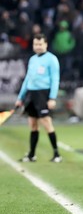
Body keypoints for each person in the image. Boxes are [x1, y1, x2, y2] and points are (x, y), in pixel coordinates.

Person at [16, 33, 62, 163]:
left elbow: (55, 80)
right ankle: (31, 155)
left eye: (40, 44)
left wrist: (52, 97)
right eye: (36, 44)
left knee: (46, 123)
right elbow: (27, 79)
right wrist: (21, 97)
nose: (38, 46)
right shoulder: (32, 59)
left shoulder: (51, 59)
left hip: (43, 94)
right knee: (32, 124)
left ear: (46, 44)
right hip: (32, 94)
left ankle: (56, 154)